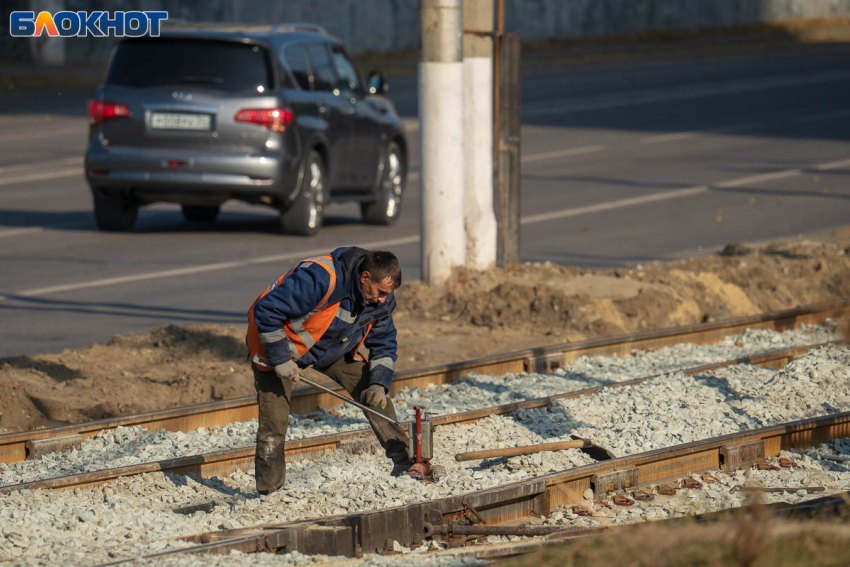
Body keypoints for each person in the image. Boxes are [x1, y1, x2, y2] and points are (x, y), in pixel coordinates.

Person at [245, 247, 411, 494]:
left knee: (375, 396)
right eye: (381, 292)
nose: (384, 299)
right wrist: (280, 359)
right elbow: (267, 310)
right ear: (365, 277)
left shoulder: (380, 299)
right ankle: (269, 491)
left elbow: (384, 343)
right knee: (274, 424)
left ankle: (407, 465)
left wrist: (379, 383)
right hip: (278, 349)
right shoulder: (320, 279)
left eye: (389, 294)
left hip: (331, 348)